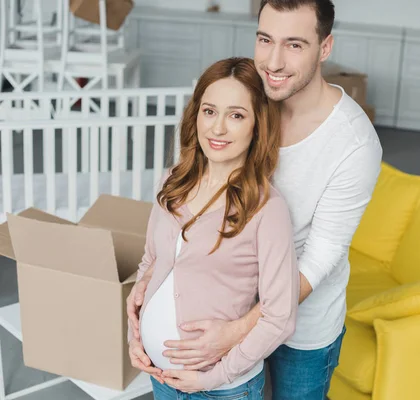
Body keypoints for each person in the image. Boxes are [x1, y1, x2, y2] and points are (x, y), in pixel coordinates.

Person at [127, 0, 383, 398]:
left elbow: (318, 259)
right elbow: (188, 197)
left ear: (325, 47)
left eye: (295, 45)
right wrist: (149, 285)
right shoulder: (243, 99)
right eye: (265, 39)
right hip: (220, 304)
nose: (274, 62)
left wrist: (236, 331)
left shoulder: (354, 143)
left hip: (302, 328)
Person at [127, 56, 300, 400]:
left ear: (257, 125)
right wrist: (136, 335)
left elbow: (281, 316)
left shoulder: (268, 208)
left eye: (236, 115)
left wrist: (214, 378)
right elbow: (151, 261)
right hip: (160, 377)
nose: (217, 128)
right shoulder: (171, 183)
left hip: (222, 391)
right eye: (209, 111)